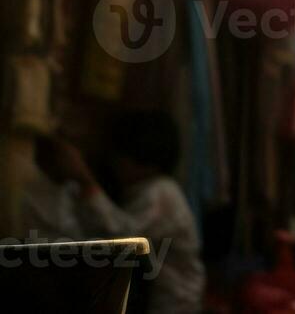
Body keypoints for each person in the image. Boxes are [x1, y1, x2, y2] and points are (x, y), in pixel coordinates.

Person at [53, 110, 205, 314]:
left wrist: (86, 182)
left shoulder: (161, 192)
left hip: (173, 305)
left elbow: (121, 236)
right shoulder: (145, 189)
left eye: (120, 155)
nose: (115, 162)